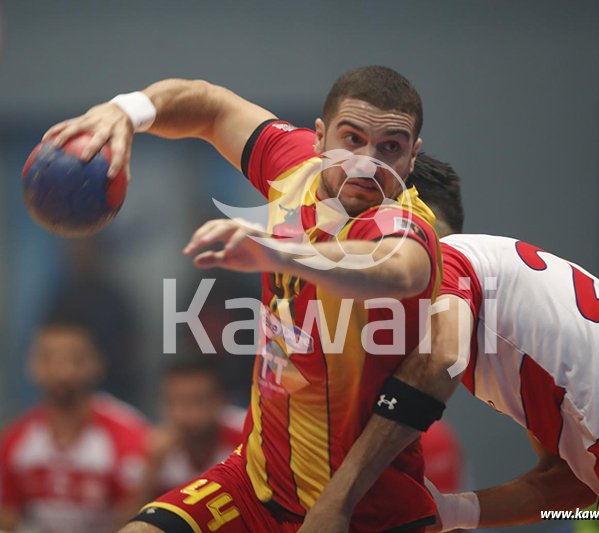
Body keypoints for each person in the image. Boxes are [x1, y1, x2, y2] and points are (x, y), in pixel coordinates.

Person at [43, 66, 443, 532]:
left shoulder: (405, 223)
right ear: (319, 137)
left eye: (389, 147)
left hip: (362, 512)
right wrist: (126, 111)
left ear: (412, 156)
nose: (365, 163)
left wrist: (283, 252)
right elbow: (210, 106)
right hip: (256, 485)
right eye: (352, 139)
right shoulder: (293, 166)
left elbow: (398, 270)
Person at [298, 154, 599, 533]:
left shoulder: (445, 260)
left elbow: (442, 361)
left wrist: (338, 499)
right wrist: (449, 513)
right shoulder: (498, 297)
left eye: (356, 235)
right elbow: (570, 481)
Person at [0, 318, 149, 533]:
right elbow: (7, 518)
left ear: (97, 363)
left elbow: (139, 521)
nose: (63, 371)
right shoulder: (15, 439)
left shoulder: (130, 435)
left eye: (75, 359)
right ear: (31, 365)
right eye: (49, 358)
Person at [140, 355, 244, 501]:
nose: (187, 412)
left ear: (222, 400)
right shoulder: (152, 447)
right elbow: (127, 520)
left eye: (198, 401)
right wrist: (153, 467)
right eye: (176, 401)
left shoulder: (247, 439)